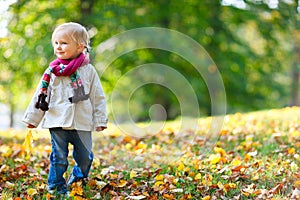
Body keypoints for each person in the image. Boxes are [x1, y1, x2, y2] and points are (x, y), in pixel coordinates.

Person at [22, 22, 108, 195]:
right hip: (57, 121)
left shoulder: (88, 71)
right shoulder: (52, 72)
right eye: (56, 43)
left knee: (85, 158)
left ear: (80, 46)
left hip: (81, 122)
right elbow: (41, 95)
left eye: (64, 43)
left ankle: (77, 179)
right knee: (59, 158)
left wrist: (100, 120)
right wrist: (33, 119)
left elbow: (97, 97)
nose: (58, 47)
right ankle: (55, 186)